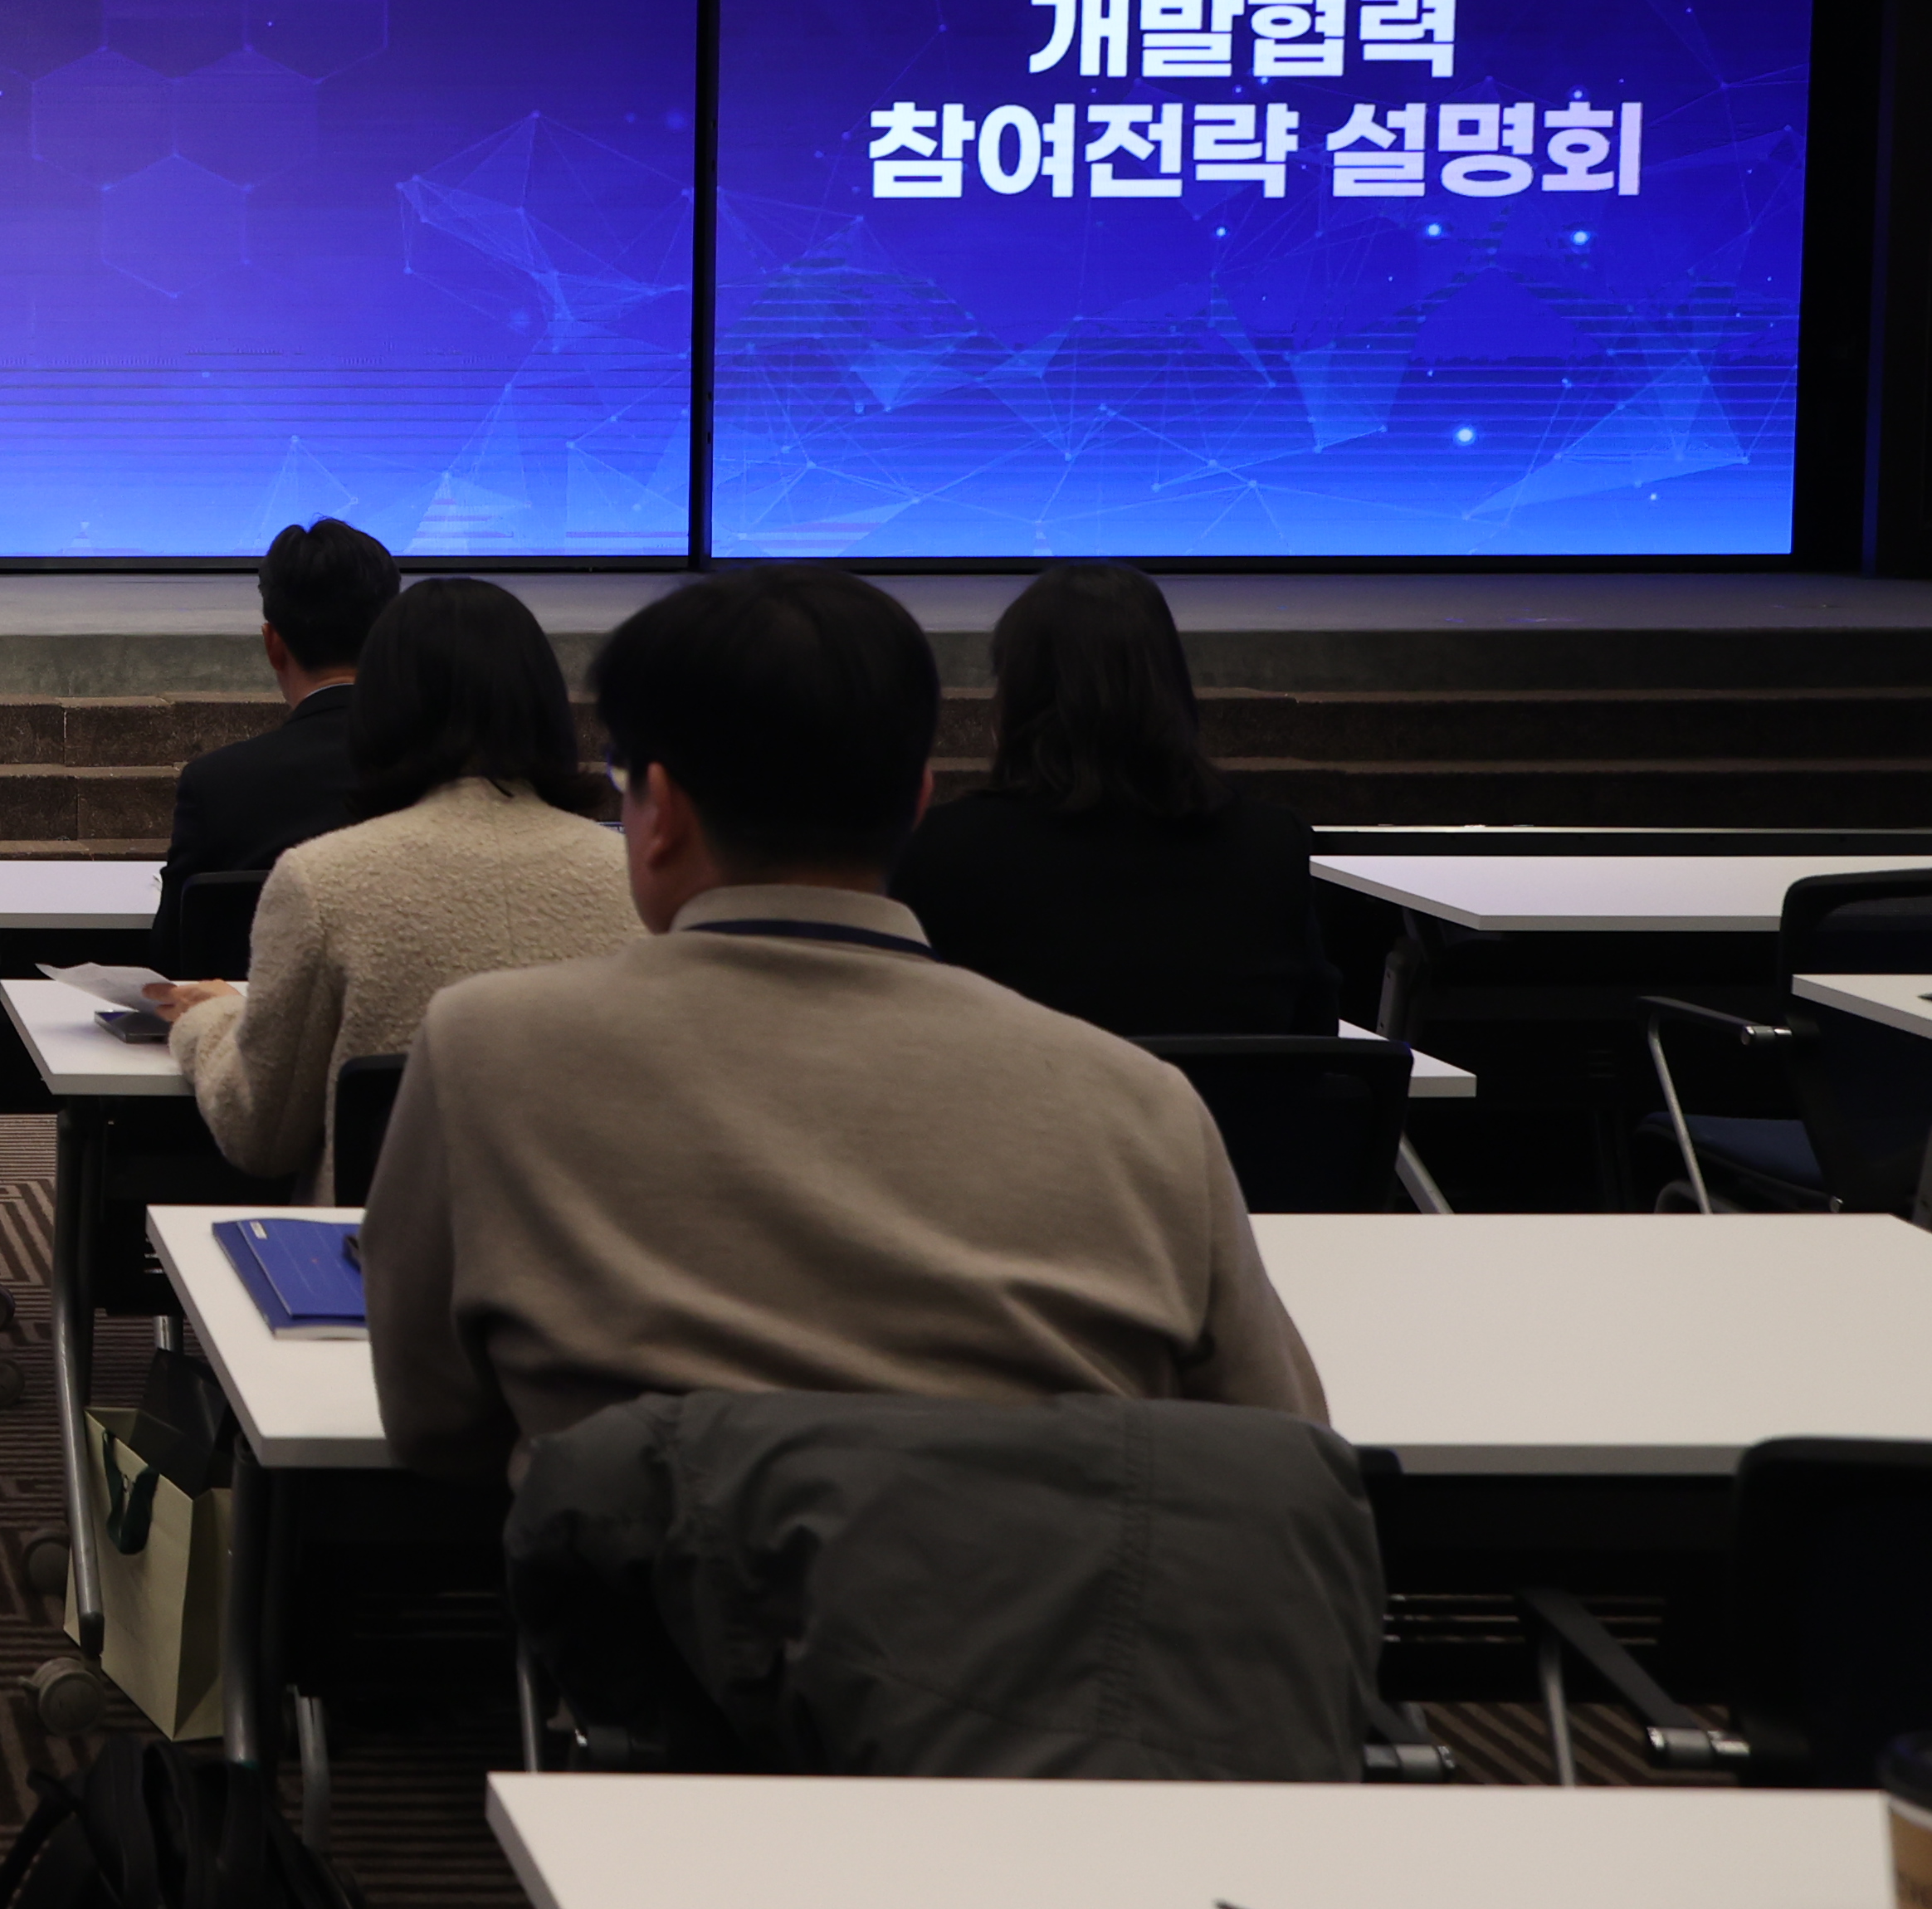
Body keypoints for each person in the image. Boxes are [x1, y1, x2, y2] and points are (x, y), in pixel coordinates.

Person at [359, 564, 1325, 1477]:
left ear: (664, 812)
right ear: (916, 800)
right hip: (1040, 1598)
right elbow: (1283, 1447)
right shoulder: (1149, 1110)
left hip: (653, 1598)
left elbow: (435, 1421)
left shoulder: (488, 1050)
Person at [148, 579, 638, 1200]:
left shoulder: (321, 881)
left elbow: (260, 1134)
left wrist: (212, 1019)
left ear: (381, 707)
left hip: (380, 1251)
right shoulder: (636, 880)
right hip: (590, 1247)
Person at [889, 563, 1339, 1036]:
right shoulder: (1270, 847)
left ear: (1015, 696)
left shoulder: (941, 851)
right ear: (1171, 687)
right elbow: (1315, 1040)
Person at [154, 518, 398, 934]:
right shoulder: (447, 774)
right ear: (390, 636)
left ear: (273, 644)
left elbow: (173, 950)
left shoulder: (217, 785)